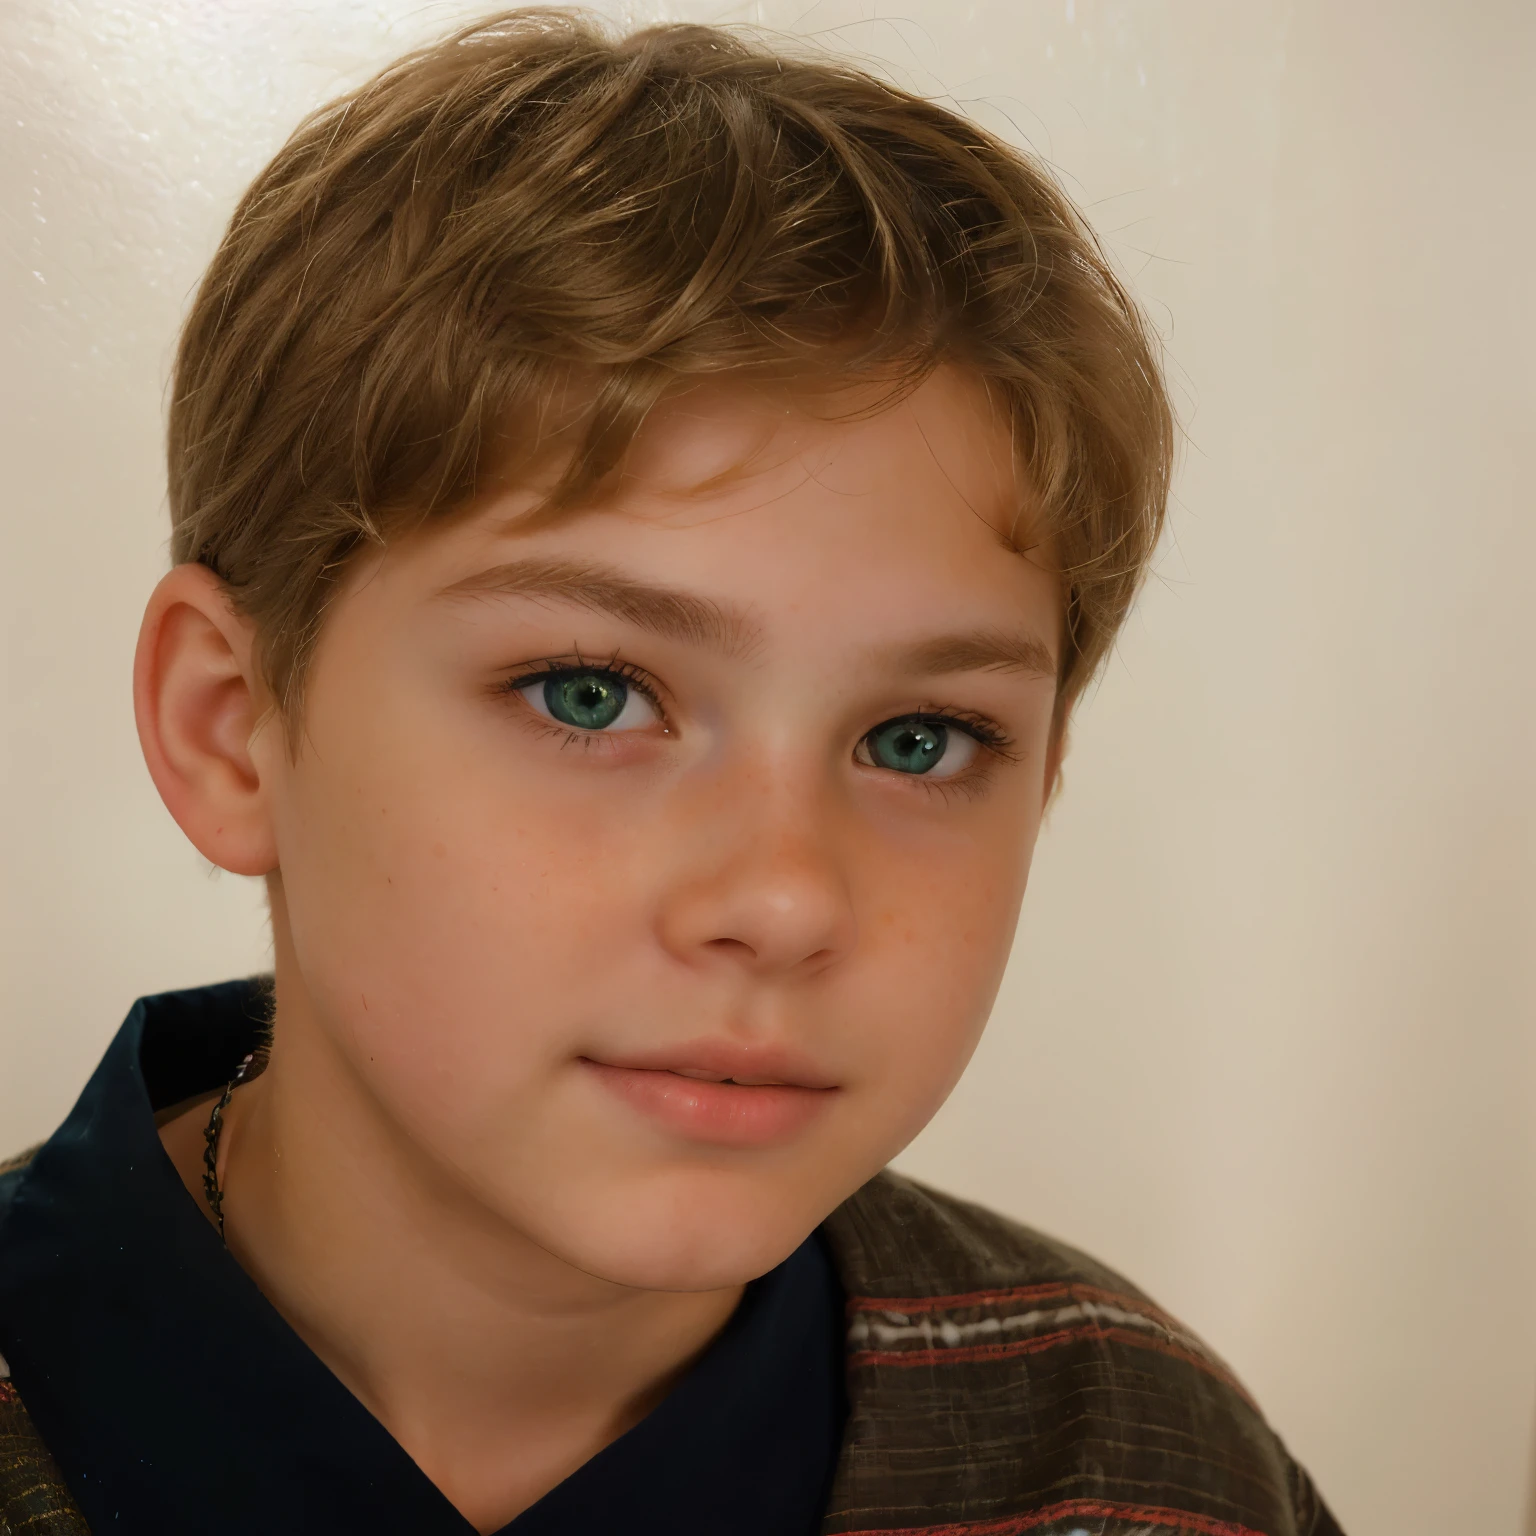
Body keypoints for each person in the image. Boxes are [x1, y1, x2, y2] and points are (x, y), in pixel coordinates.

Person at [0, 11, 1342, 1534]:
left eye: (919, 739)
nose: (781, 897)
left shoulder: (1158, 1474)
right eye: (591, 694)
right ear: (228, 725)